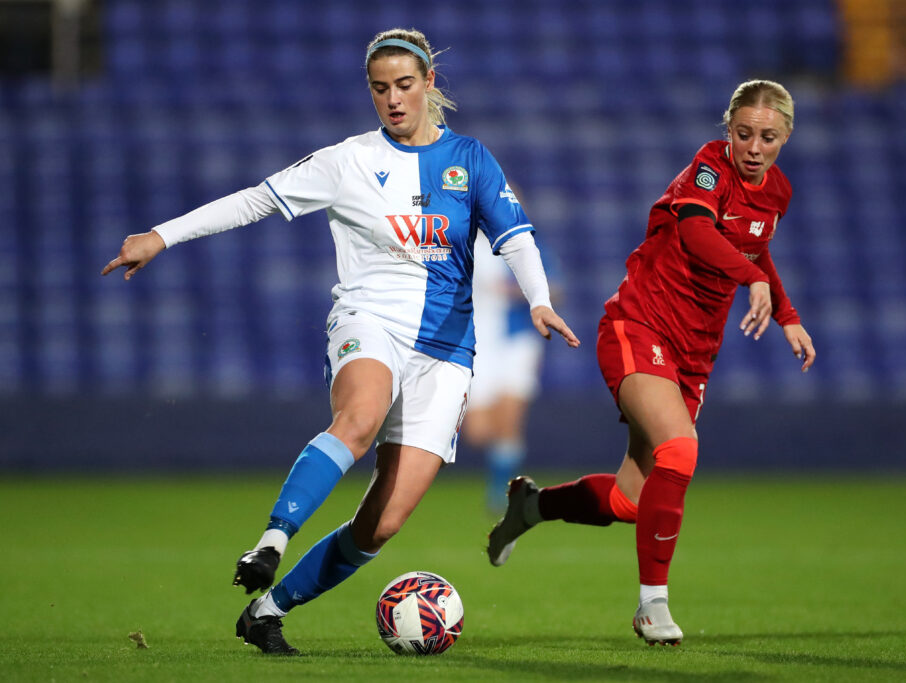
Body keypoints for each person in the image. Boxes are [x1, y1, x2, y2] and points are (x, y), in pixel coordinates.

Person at [101, 28, 579, 655]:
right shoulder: (348, 161)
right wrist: (161, 236)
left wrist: (538, 298)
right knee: (358, 417)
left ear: (429, 83)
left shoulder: (471, 159)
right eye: (380, 89)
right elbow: (256, 201)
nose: (393, 100)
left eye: (405, 85)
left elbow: (514, 236)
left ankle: (267, 611)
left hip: (445, 347)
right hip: (369, 320)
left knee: (382, 523)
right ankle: (274, 538)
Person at [486, 80, 815, 647]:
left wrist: (785, 312)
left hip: (694, 353)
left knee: (631, 500)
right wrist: (753, 279)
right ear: (727, 129)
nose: (753, 147)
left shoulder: (776, 192)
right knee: (680, 450)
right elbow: (695, 229)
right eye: (743, 133)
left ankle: (531, 506)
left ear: (786, 137)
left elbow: (756, 251)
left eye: (768, 137)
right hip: (639, 325)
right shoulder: (710, 168)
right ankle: (651, 607)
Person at [463, 230, 554, 513]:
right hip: (479, 342)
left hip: (516, 343)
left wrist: (514, 291)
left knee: (509, 420)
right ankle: (505, 462)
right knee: (476, 431)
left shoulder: (526, 247)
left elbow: (555, 290)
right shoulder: (464, 245)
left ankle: (501, 491)